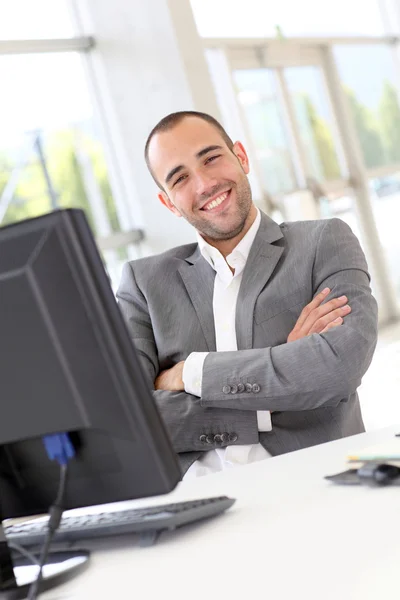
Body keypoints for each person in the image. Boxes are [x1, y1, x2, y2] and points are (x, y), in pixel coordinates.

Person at [117, 110, 378, 477]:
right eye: (180, 179)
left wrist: (190, 373)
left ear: (241, 156)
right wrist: (283, 375)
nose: (205, 183)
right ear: (168, 203)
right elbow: (126, 417)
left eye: (211, 158)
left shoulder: (322, 242)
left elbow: (341, 365)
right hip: (197, 501)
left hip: (316, 481)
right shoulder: (142, 283)